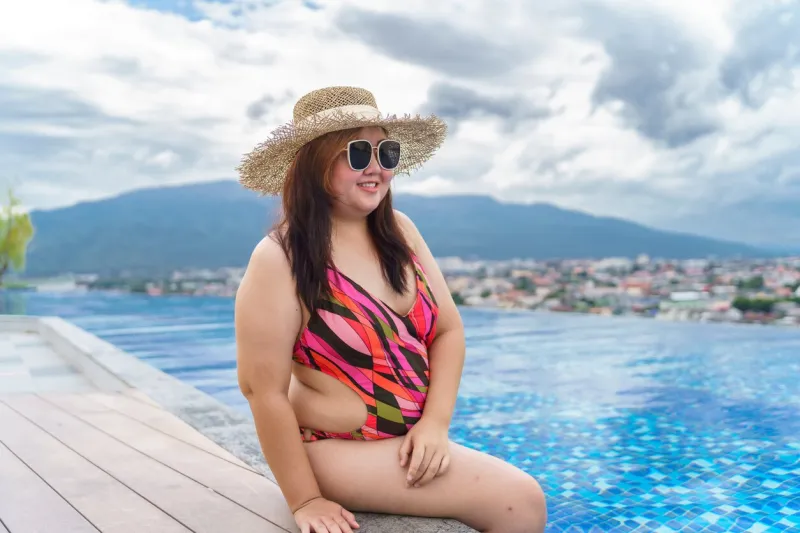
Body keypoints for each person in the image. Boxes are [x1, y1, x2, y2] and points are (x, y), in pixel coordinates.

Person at [234, 86, 547, 533]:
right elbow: (261, 390)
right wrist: (306, 500)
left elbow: (448, 332)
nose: (377, 166)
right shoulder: (280, 257)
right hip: (336, 448)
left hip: (405, 441)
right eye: (358, 153)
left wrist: (436, 425)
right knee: (520, 501)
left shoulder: (400, 232)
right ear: (315, 164)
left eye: (387, 151)